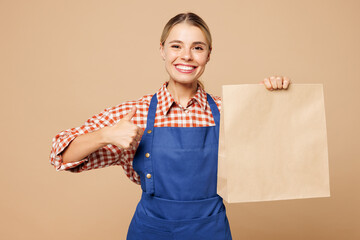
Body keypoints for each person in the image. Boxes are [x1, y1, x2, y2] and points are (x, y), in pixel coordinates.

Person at [49, 12, 291, 240]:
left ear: (208, 54)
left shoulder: (229, 111)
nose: (186, 56)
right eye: (176, 46)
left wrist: (271, 101)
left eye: (197, 48)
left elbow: (276, 152)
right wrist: (104, 135)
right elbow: (60, 155)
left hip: (210, 230)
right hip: (151, 230)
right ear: (162, 50)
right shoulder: (136, 112)